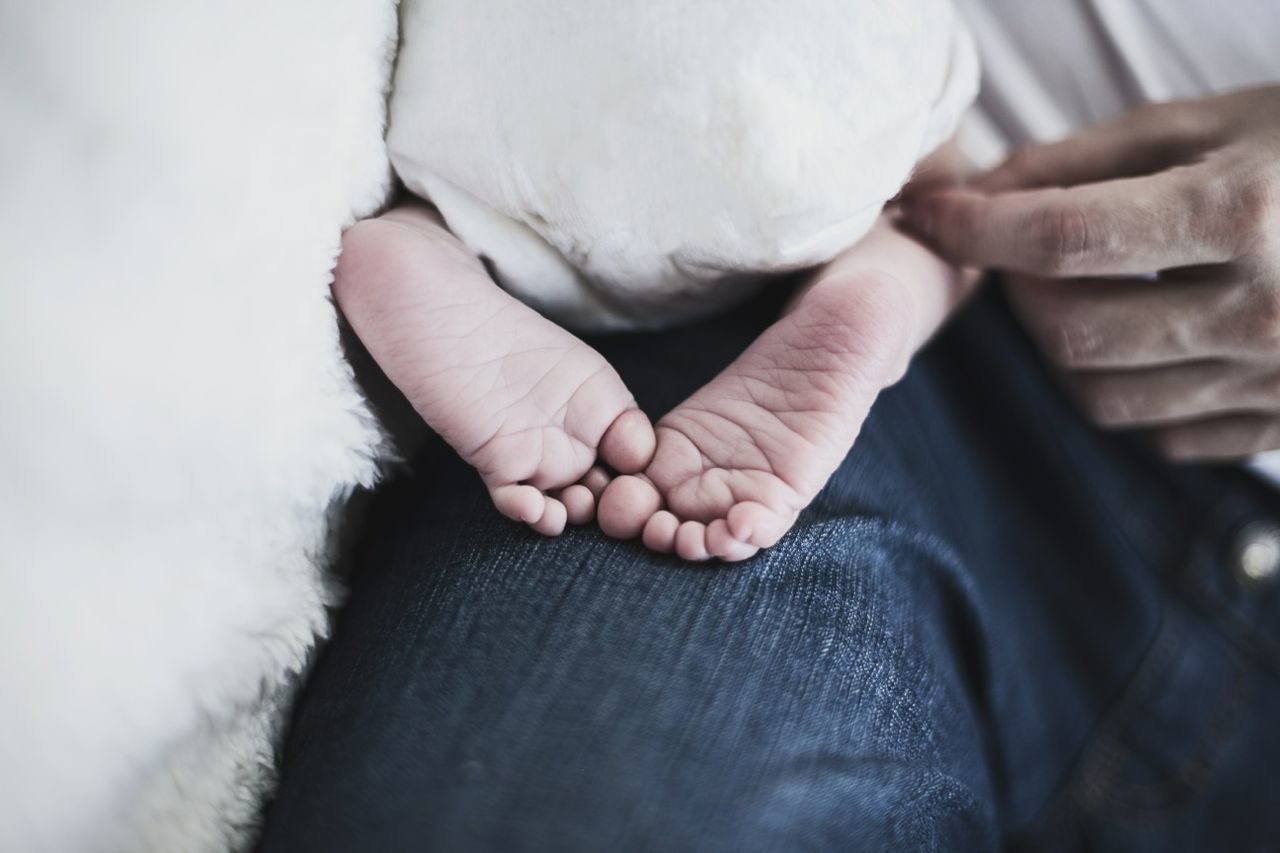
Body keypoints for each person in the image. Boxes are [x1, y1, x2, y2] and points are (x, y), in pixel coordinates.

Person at [257, 1, 1280, 850]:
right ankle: (883, 283)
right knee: (941, 212)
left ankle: (447, 240)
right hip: (964, 227)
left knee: (555, 170)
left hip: (742, 98)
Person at [335, 0, 977, 562]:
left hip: (520, 70)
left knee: (468, 194)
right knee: (941, 215)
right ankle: (874, 288)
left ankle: (428, 240)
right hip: (800, 77)